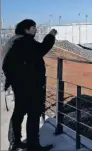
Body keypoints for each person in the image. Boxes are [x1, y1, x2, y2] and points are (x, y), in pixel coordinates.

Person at [2, 19, 57, 151]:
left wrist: (12, 81)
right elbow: (42, 49)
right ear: (26, 29)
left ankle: (15, 142)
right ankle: (33, 146)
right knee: (34, 114)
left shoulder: (14, 41)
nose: (36, 29)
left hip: (20, 85)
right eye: (33, 27)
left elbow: (7, 65)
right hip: (30, 85)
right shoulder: (25, 42)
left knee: (19, 112)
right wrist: (51, 35)